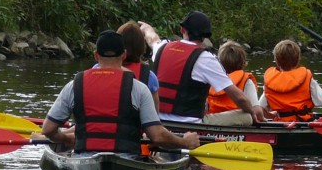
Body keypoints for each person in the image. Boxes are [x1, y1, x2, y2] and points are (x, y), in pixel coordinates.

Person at [39, 30, 200, 155]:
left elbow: (47, 130)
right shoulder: (139, 88)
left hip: (84, 157)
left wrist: (65, 138)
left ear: (96, 55)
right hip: (126, 159)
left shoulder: (74, 85)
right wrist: (185, 142)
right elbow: (157, 136)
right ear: (123, 54)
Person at [139, 11, 265, 125]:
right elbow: (240, 98)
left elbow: (152, 39)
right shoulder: (205, 58)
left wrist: (146, 28)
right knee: (247, 116)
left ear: (182, 29)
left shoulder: (162, 48)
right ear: (205, 36)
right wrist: (253, 112)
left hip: (157, 119)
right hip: (191, 123)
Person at [205, 41, 260, 122]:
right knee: (249, 116)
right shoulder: (247, 81)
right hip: (236, 123)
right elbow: (257, 111)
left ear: (219, 63)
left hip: (213, 120)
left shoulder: (211, 79)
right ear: (243, 63)